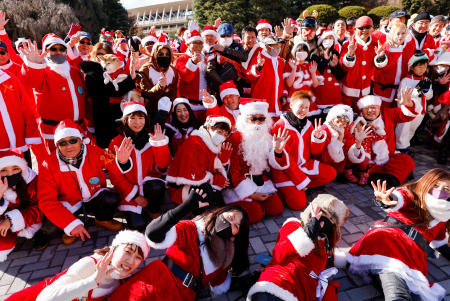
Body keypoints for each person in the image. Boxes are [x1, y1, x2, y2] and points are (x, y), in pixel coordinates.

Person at [109, 189, 250, 301]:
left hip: (184, 294)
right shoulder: (192, 229)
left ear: (236, 233)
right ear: (220, 213)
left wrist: (250, 279)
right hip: (157, 280)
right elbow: (153, 234)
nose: (230, 224)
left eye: (236, 225)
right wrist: (185, 207)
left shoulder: (226, 254)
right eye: (230, 218)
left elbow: (221, 283)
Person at [347, 169, 450, 301]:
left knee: (416, 294)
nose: (440, 190)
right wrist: (386, 199)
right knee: (398, 294)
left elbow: (441, 243)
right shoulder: (414, 193)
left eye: (446, 189)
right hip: (388, 239)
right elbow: (398, 197)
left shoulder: (444, 216)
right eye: (435, 185)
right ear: (426, 182)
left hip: (411, 254)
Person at [38, 120, 133, 245]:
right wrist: (70, 224)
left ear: (81, 140)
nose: (69, 146)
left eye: (73, 140)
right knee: (50, 227)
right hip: (70, 202)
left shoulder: (94, 151)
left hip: (95, 195)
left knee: (111, 198)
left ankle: (102, 219)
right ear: (57, 146)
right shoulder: (48, 165)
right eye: (62, 143)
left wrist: (121, 161)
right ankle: (71, 228)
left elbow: (113, 165)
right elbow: (46, 201)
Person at [247, 193, 349, 301]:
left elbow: (325, 258)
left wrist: (348, 260)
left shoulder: (324, 241)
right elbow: (280, 254)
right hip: (279, 280)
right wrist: (308, 232)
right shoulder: (293, 226)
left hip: (303, 288)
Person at [7, 229, 149, 301]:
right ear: (114, 249)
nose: (131, 261)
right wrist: (92, 281)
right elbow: (44, 299)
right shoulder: (91, 265)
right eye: (128, 252)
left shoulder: (122, 278)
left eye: (138, 258)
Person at [19, 35, 91, 154]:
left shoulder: (74, 71)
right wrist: (33, 64)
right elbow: (30, 81)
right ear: (46, 51)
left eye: (61, 49)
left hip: (78, 129)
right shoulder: (43, 72)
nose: (58, 52)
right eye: (53, 49)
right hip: (54, 132)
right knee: (59, 167)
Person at [224, 98, 290, 223]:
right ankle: (242, 204)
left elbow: (273, 163)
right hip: (238, 183)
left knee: (276, 208)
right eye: (253, 118)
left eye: (261, 118)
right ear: (244, 119)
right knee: (255, 215)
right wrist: (251, 194)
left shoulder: (267, 135)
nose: (257, 122)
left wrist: (278, 151)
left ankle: (255, 204)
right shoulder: (235, 138)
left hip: (259, 179)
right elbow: (233, 172)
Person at [109, 102, 171, 230]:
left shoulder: (152, 138)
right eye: (133, 118)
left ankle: (153, 209)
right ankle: (136, 210)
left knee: (157, 185)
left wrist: (160, 145)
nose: (137, 122)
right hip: (129, 193)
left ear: (146, 120)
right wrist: (135, 196)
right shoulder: (116, 142)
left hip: (149, 188)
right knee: (138, 226)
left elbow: (163, 167)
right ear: (125, 121)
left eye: (141, 118)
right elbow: (114, 176)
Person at [271, 91, 336, 210]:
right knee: (299, 204)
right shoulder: (280, 126)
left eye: (306, 107)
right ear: (291, 106)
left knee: (331, 173)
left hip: (304, 165)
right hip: (284, 170)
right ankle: (284, 190)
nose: (303, 110)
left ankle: (299, 188)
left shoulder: (308, 124)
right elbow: (285, 160)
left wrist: (316, 138)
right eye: (300, 106)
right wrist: (301, 181)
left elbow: (314, 151)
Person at [352, 93, 417, 187]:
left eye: (374, 107)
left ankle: (385, 179)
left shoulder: (388, 113)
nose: (370, 111)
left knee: (407, 160)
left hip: (389, 158)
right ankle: (391, 178)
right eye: (366, 108)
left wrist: (409, 105)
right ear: (361, 110)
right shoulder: (357, 123)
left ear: (379, 108)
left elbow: (408, 115)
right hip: (370, 163)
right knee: (361, 167)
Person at [79, 43, 136, 148]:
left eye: (107, 55)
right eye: (100, 54)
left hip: (118, 115)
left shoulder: (110, 71)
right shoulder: (92, 72)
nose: (103, 58)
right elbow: (111, 91)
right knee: (108, 150)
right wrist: (130, 80)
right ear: (94, 55)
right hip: (104, 118)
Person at [166, 115, 231, 205]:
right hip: (181, 187)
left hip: (199, 181)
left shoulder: (210, 143)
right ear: (208, 127)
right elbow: (193, 171)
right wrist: (216, 180)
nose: (222, 137)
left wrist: (223, 159)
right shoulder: (195, 143)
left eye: (224, 134)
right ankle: (196, 213)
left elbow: (210, 165)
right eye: (219, 132)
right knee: (206, 190)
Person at [0, 149, 46, 262]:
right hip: (3, 224)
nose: (10, 174)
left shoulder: (32, 181)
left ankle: (38, 232)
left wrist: (11, 220)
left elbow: (39, 208)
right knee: (4, 244)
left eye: (15, 168)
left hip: (30, 221)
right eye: (4, 170)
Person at [340, 16, 388, 110]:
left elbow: (380, 67)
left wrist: (380, 57)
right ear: (355, 29)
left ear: (372, 28)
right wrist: (350, 54)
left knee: (361, 118)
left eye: (367, 27)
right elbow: (344, 66)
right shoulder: (348, 44)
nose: (364, 30)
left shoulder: (376, 45)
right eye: (361, 28)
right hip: (347, 92)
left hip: (365, 91)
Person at [318, 105, 370, 184]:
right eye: (339, 117)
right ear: (332, 117)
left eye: (346, 119)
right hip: (322, 164)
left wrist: (358, 143)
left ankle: (341, 172)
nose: (342, 121)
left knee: (348, 148)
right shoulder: (323, 130)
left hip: (335, 165)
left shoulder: (344, 131)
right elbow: (326, 157)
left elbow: (352, 151)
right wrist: (339, 139)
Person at [395, 51, 433, 154]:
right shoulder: (406, 81)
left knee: (412, 130)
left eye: (425, 67)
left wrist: (426, 90)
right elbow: (402, 97)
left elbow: (430, 96)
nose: (423, 69)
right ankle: (400, 148)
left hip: (420, 112)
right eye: (420, 67)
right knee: (403, 130)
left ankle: (406, 146)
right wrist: (417, 90)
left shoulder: (426, 80)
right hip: (407, 112)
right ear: (411, 67)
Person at [247, 36, 287, 119]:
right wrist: (258, 67)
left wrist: (283, 95)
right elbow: (250, 76)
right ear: (266, 46)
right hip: (262, 103)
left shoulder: (280, 61)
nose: (278, 49)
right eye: (275, 46)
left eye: (279, 46)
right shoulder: (259, 58)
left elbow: (282, 81)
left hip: (277, 103)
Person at [373, 22, 412, 105]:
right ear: (392, 34)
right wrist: (382, 57)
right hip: (384, 90)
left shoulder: (408, 47)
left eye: (403, 33)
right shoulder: (386, 47)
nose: (400, 36)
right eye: (397, 33)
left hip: (400, 89)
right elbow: (381, 68)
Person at [206, 23, 248, 97]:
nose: (225, 38)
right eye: (223, 36)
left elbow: (244, 57)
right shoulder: (214, 48)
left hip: (237, 85)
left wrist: (225, 50)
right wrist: (223, 84)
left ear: (232, 35)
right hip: (220, 87)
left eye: (228, 35)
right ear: (218, 37)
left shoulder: (237, 46)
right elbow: (210, 70)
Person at [175, 29, 208, 122]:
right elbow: (186, 77)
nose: (198, 46)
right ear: (188, 44)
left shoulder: (206, 59)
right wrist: (192, 63)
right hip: (189, 106)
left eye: (200, 43)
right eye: (195, 43)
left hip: (205, 105)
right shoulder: (182, 59)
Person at [139, 42, 178, 115]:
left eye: (167, 54)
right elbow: (145, 94)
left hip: (168, 114)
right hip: (150, 113)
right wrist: (159, 87)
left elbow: (173, 94)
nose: (164, 57)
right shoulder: (145, 69)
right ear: (154, 54)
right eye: (160, 54)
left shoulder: (173, 71)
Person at [310, 30, 345, 110]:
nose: (328, 40)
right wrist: (325, 60)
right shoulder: (315, 53)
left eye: (331, 38)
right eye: (326, 38)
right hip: (321, 92)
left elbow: (340, 76)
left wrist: (335, 66)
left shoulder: (335, 53)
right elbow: (316, 72)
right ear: (321, 40)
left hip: (334, 92)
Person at [284, 41, 321, 116]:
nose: (302, 53)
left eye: (304, 51)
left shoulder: (310, 65)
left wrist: (313, 73)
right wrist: (294, 70)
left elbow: (315, 85)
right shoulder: (290, 64)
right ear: (295, 52)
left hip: (308, 100)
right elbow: (289, 84)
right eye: (299, 51)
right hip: (294, 99)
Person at [239, 26, 262, 96]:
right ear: (243, 39)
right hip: (240, 87)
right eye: (248, 37)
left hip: (255, 87)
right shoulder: (238, 50)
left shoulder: (261, 51)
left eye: (253, 37)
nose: (251, 40)